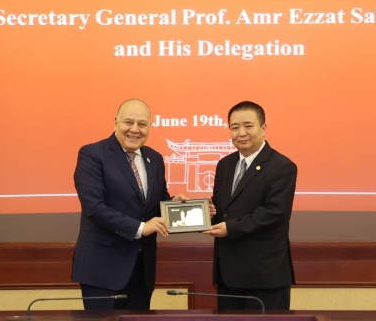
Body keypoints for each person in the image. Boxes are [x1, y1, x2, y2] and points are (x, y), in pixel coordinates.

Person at [71, 99, 191, 310]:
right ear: (116, 122)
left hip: (141, 270)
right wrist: (142, 228)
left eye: (142, 124)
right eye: (129, 122)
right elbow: (94, 207)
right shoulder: (93, 154)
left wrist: (175, 205)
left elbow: (155, 202)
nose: (135, 129)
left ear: (149, 127)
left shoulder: (154, 158)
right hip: (102, 270)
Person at [204, 101, 297, 310]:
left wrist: (231, 228)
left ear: (263, 128)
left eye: (248, 126)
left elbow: (275, 212)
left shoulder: (282, 166)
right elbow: (225, 209)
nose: (241, 133)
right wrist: (209, 211)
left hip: (264, 276)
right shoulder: (225, 165)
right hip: (228, 274)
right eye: (235, 127)